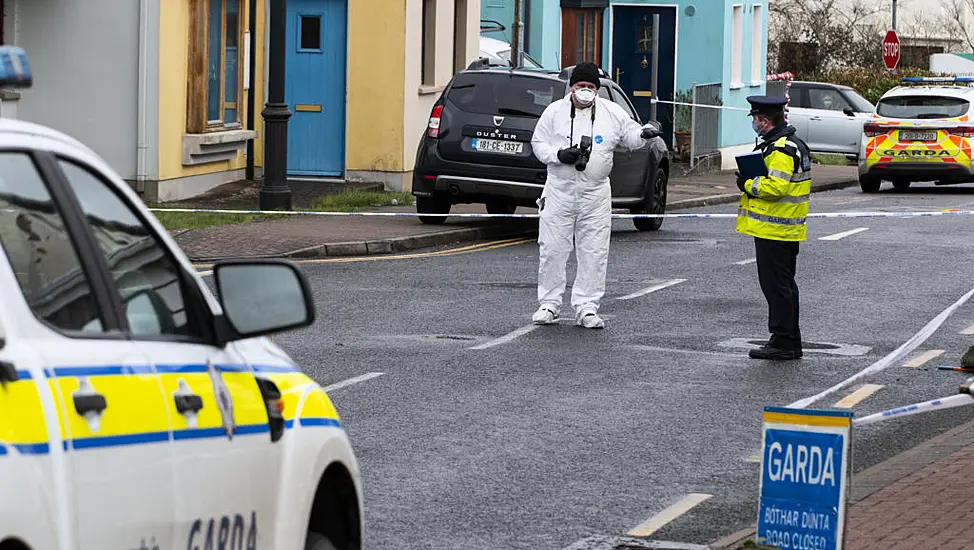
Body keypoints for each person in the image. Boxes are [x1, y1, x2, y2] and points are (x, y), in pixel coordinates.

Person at [530, 62, 659, 329]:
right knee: (552, 249)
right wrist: (557, 156)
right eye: (580, 87)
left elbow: (630, 135)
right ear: (571, 88)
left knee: (594, 251)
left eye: (590, 87)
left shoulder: (611, 113)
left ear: (597, 90)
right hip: (559, 191)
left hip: (595, 194)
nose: (585, 91)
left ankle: (587, 307)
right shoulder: (554, 113)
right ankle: (549, 303)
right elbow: (538, 143)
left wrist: (645, 134)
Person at [736, 95, 812, 360]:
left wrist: (747, 183)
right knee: (784, 286)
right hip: (784, 230)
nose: (754, 123)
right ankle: (786, 339)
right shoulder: (790, 144)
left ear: (764, 121)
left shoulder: (781, 149)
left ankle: (784, 342)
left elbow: (775, 187)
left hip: (775, 229)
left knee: (777, 288)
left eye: (755, 118)